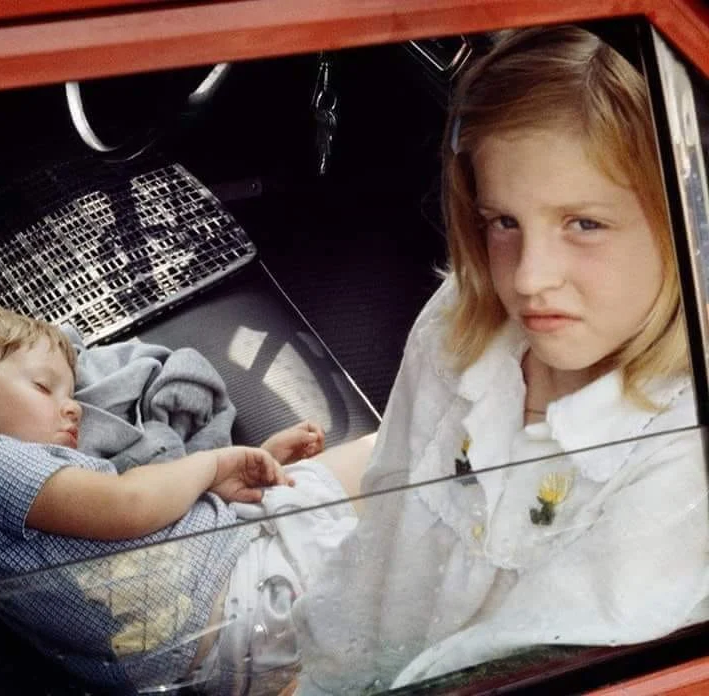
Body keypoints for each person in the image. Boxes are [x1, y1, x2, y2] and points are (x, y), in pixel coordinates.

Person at [291, 24, 709, 694]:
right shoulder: (461, 324)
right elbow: (381, 541)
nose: (529, 278)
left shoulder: (679, 454)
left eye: (585, 224)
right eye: (503, 222)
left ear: (679, 218)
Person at [0, 304, 374, 694]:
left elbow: (134, 540)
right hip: (251, 590)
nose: (73, 407)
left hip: (221, 657)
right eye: (41, 386)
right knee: (388, 461)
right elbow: (130, 504)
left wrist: (241, 470)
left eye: (70, 392)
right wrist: (215, 464)